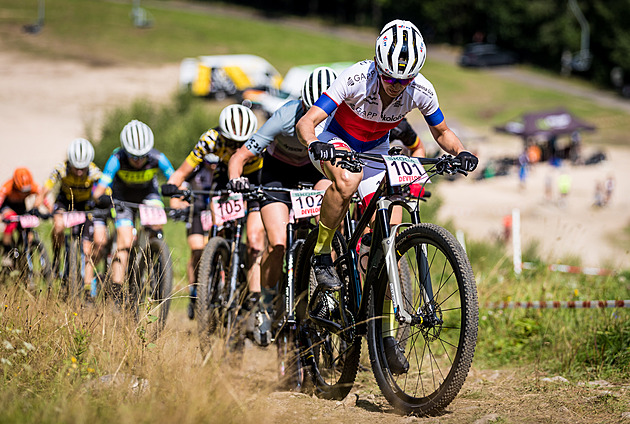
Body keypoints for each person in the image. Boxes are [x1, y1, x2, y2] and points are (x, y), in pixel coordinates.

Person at [296, 19, 478, 373]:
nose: (397, 87)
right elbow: (308, 122)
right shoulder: (354, 78)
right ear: (378, 65)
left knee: (389, 237)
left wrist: (461, 151)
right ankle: (321, 253)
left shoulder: (420, 89)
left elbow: (441, 131)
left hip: (376, 148)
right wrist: (316, 145)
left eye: (404, 80)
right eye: (390, 78)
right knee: (348, 181)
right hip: (336, 141)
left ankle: (387, 334)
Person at [227, 67, 336, 345]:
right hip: (277, 176)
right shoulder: (285, 116)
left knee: (332, 211)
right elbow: (240, 156)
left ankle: (327, 290)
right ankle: (263, 302)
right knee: (277, 244)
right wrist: (235, 180)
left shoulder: (336, 119)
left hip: (314, 174)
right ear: (302, 106)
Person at [162, 104, 262, 320]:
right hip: (225, 177)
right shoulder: (210, 139)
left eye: (241, 142)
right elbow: (183, 169)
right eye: (231, 141)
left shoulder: (259, 141)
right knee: (218, 225)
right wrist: (173, 185)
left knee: (255, 235)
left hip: (254, 177)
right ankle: (216, 258)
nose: (236, 146)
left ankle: (250, 283)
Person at [92, 120, 175, 295]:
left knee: (156, 227)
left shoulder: (157, 157)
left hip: (148, 194)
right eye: (133, 157)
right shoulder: (116, 159)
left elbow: (176, 181)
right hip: (122, 196)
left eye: (142, 156)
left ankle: (153, 258)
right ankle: (117, 289)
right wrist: (102, 198)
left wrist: (181, 199)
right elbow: (98, 190)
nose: (138, 161)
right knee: (125, 241)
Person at [35, 138, 106, 293]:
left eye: (83, 168)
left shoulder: (94, 171)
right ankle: (56, 257)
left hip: (85, 205)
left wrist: (109, 202)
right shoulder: (61, 168)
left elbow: (105, 188)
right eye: (76, 168)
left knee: (87, 247)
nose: (80, 172)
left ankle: (87, 288)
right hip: (65, 203)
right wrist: (36, 206)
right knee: (59, 227)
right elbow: (46, 188)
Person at [0, 168, 47, 268]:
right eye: (20, 191)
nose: (23, 193)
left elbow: (42, 194)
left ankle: (26, 250)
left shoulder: (32, 186)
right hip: (7, 206)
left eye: (25, 191)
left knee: (27, 225)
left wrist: (50, 210)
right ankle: (6, 252)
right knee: (12, 220)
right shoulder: (7, 187)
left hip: (21, 207)